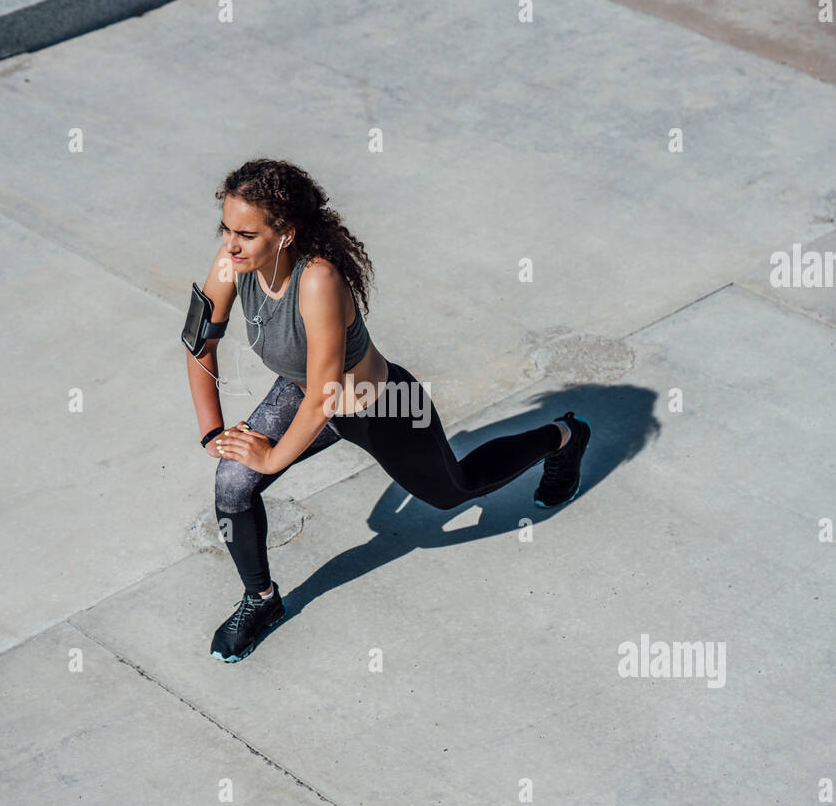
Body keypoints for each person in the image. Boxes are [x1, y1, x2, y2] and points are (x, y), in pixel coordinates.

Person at [186, 159, 591, 662]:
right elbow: (198, 341)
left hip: (381, 406)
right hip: (301, 393)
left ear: (285, 233)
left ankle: (563, 437)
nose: (229, 243)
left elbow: (326, 395)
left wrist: (271, 458)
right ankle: (261, 600)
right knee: (231, 482)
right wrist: (212, 433)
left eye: (246, 233)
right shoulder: (232, 262)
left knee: (451, 492)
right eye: (225, 228)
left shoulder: (318, 281)